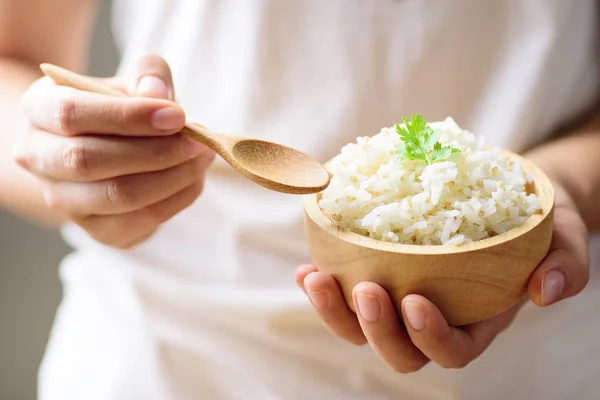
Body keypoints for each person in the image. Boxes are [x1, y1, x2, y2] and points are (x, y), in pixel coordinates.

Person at [1, 0, 599, 399]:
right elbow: (11, 57)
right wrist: (73, 171)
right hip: (166, 353)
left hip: (534, 353)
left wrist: (567, 181)